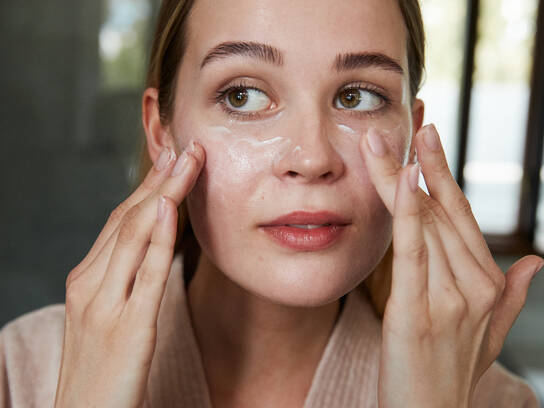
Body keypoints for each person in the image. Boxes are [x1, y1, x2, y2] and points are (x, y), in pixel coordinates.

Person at [0, 0, 541, 406]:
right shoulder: (22, 372)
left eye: (357, 97)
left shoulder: (495, 401)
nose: (312, 158)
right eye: (243, 96)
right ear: (162, 134)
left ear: (411, 138)